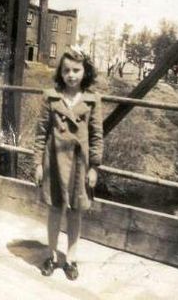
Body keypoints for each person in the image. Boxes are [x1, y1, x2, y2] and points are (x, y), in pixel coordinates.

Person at [33, 46, 104, 280]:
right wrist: (38, 164)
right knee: (54, 210)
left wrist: (94, 166)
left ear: (85, 72)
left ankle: (71, 259)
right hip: (54, 162)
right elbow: (41, 133)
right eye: (66, 70)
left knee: (75, 212)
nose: (71, 75)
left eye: (76, 70)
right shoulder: (51, 97)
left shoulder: (92, 101)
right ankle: (52, 256)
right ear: (60, 73)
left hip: (80, 165)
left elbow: (96, 136)